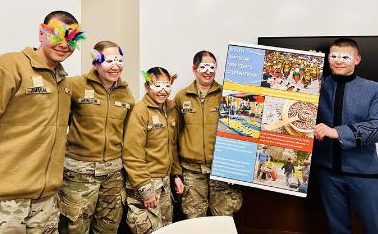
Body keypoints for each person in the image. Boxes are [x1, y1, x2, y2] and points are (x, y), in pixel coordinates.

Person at [0, 11, 85, 233]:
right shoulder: (7, 67)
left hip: (45, 205)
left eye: (72, 38)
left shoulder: (63, 83)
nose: (64, 44)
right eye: (57, 35)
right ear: (41, 33)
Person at [313, 38, 378, 234]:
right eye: (334, 56)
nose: (339, 61)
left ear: (357, 60)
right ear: (328, 59)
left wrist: (337, 132)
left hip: (364, 173)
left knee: (377, 229)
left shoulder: (374, 90)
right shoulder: (315, 87)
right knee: (336, 229)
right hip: (326, 173)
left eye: (345, 57)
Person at [58, 41, 134, 233]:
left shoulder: (125, 92)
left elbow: (130, 131)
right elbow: (58, 124)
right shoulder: (75, 85)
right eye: (109, 61)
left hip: (113, 174)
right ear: (96, 62)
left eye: (119, 60)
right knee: (75, 227)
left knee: (108, 227)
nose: (115, 66)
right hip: (79, 173)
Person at [174, 51, 242, 218]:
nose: (208, 71)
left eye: (212, 67)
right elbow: (173, 137)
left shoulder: (227, 95)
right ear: (194, 68)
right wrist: (176, 172)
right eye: (203, 67)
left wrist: (237, 169)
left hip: (221, 169)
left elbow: (239, 132)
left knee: (223, 219)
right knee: (194, 220)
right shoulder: (181, 97)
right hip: (191, 171)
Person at [123, 67, 184, 233]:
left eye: (167, 85)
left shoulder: (170, 110)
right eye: (157, 86)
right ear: (147, 86)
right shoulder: (140, 111)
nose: (163, 90)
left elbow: (172, 146)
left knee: (165, 230)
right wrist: (145, 189)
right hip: (146, 184)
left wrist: (175, 175)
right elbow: (132, 154)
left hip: (165, 185)